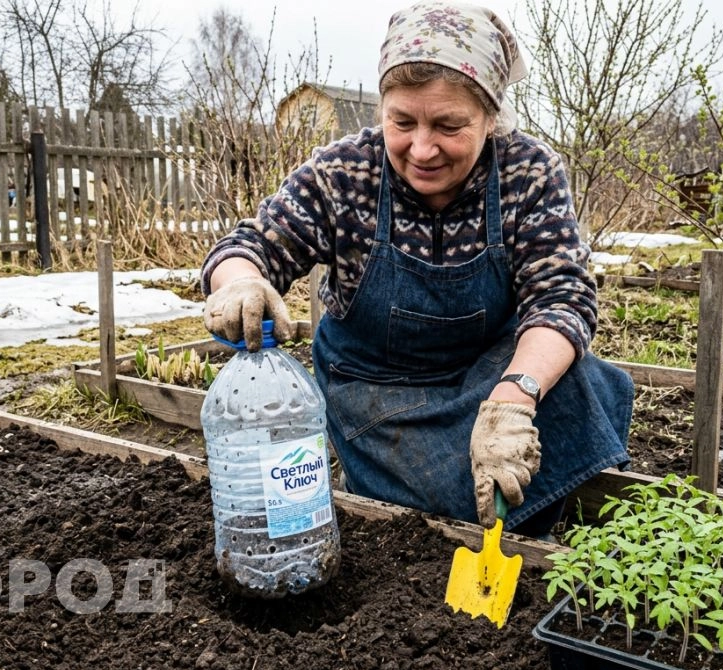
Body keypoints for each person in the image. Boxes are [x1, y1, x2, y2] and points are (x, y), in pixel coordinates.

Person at [201, 0, 633, 536]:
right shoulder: (347, 173)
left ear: (491, 119)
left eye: (449, 125)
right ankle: (456, 512)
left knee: (585, 384)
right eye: (402, 122)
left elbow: (561, 296)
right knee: (437, 502)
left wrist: (514, 397)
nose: (422, 149)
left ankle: (522, 529)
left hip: (488, 377)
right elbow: (253, 245)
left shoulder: (527, 173)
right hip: (380, 399)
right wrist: (240, 281)